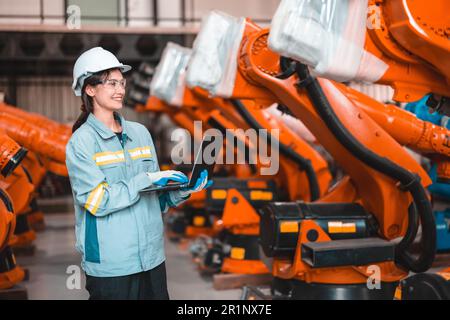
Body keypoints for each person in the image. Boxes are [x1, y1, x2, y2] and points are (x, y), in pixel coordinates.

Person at [66, 47, 211, 300]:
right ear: (90, 89)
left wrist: (182, 190)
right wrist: (145, 180)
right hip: (113, 264)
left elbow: (156, 200)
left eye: (122, 83)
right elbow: (97, 201)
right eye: (111, 83)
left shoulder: (140, 133)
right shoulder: (82, 142)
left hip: (152, 258)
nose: (120, 89)